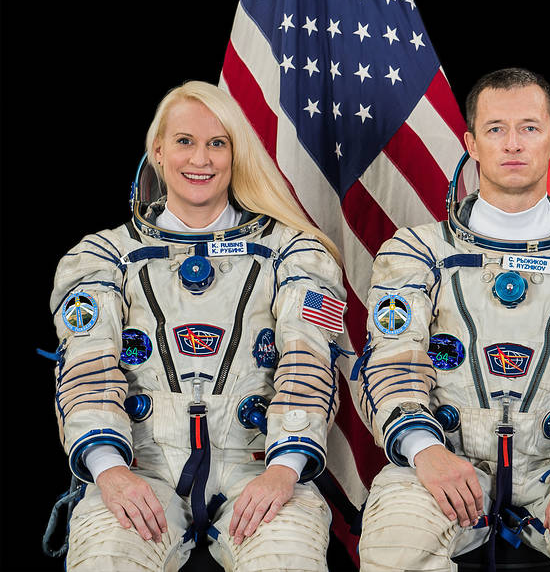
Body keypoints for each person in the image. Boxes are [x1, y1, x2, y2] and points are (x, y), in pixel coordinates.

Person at [353, 68, 550, 571]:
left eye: (529, 128)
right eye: (496, 129)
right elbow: (392, 363)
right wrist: (424, 449)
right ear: (472, 143)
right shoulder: (415, 252)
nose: (513, 144)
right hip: (446, 461)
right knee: (396, 550)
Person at [49, 81, 347, 571]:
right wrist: (109, 471)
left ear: (236, 154)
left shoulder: (295, 252)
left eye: (217, 143)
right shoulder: (103, 256)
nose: (200, 159)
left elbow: (309, 363)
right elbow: (87, 370)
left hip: (260, 466)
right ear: (159, 151)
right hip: (139, 468)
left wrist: (285, 468)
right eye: (185, 141)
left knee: (287, 561)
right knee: (105, 559)